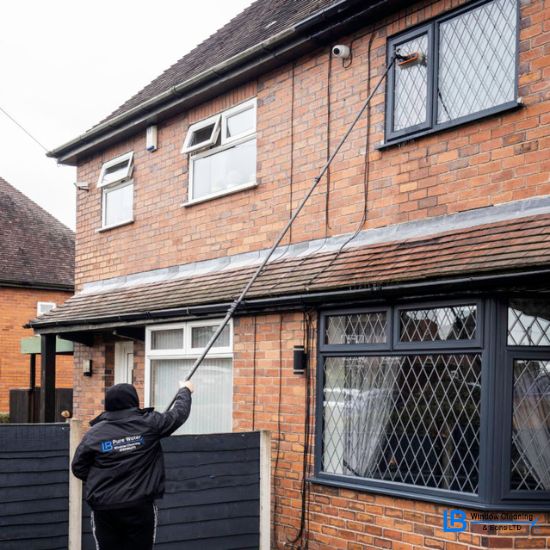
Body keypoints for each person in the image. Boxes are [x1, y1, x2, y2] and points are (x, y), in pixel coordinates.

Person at [71, 380, 194, 550]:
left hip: (105, 508)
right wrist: (185, 390)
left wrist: (104, 476)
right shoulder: (150, 424)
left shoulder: (94, 434)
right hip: (139, 506)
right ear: (133, 400)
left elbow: (78, 468)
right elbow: (178, 414)